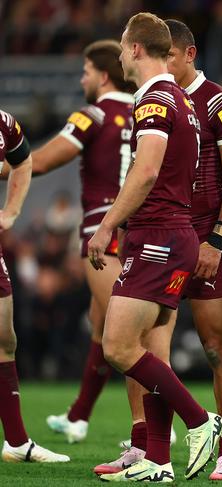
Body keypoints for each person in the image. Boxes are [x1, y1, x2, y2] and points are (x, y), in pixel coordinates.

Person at [95, 19, 222, 481]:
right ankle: (156, 459)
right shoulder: (182, 101)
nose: (120, 57)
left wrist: (108, 224)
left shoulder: (165, 100)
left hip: (168, 235)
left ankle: (207, 426)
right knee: (151, 353)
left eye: (122, 49)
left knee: (124, 346)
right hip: (175, 232)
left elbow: (149, 173)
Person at [23, 40, 137, 445]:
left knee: (125, 334)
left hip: (102, 232)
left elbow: (45, 159)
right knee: (101, 325)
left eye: (86, 71)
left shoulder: (94, 114)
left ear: (103, 75)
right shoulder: (144, 111)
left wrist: (9, 165)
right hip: (138, 229)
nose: (82, 78)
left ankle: (152, 427)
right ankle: (79, 416)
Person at [0, 109, 70, 463]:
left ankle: (16, 442)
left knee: (4, 338)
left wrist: (11, 210)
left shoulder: (4, 123)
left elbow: (22, 162)